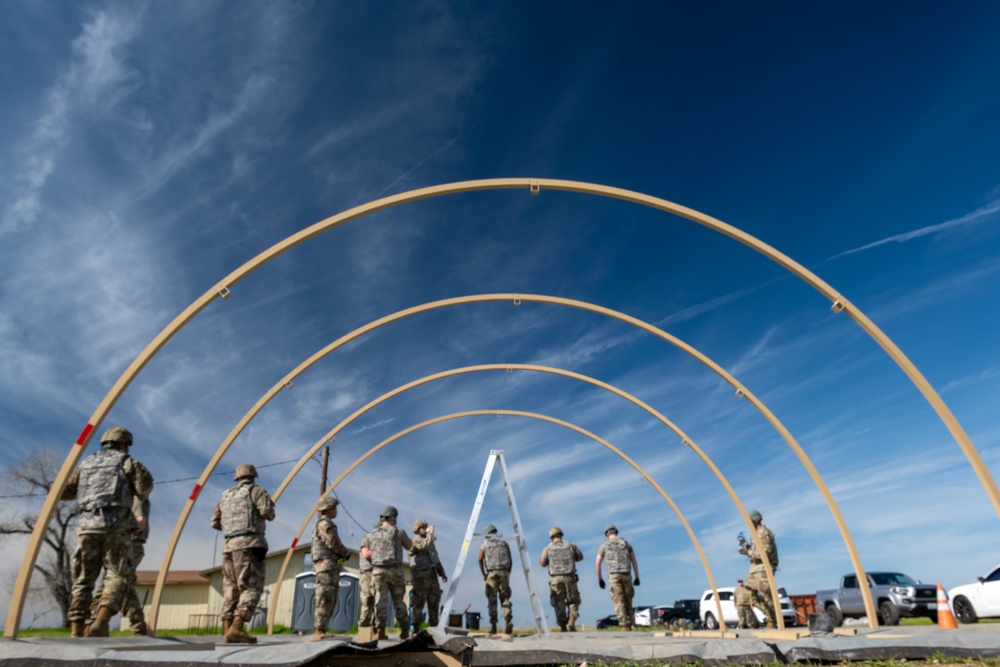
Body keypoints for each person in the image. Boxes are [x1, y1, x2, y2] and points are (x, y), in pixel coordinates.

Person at [62, 426, 154, 638]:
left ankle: (76, 629)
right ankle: (101, 622)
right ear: (123, 444)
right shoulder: (126, 462)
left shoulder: (85, 464)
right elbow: (144, 489)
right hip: (116, 526)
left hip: (86, 526)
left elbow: (64, 491)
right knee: (117, 574)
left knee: (84, 577)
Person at [210, 463, 275, 643]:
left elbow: (214, 522)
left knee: (231, 588)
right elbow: (267, 513)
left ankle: (227, 628)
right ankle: (237, 628)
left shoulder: (225, 496)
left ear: (237, 478)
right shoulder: (256, 491)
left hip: (229, 545)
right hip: (250, 544)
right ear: (253, 476)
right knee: (251, 586)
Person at [86, 497, 152, 635]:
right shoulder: (136, 498)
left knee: (117, 582)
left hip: (125, 544)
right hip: (128, 544)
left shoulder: (130, 498)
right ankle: (97, 622)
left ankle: (95, 622)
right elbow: (140, 521)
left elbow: (139, 521)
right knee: (119, 583)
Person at [360, 505, 412, 640]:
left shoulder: (371, 536)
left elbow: (366, 554)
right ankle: (404, 631)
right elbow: (410, 547)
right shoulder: (399, 532)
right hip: (396, 571)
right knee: (399, 602)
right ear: (392, 517)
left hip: (378, 571)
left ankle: (379, 632)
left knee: (379, 602)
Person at [311, 497, 352, 640]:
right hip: (326, 566)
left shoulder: (326, 524)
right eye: (334, 508)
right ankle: (319, 630)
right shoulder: (324, 524)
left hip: (330, 566)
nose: (336, 511)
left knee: (330, 598)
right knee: (325, 598)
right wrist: (345, 553)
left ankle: (322, 630)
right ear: (328, 509)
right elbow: (332, 543)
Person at [738, 508, 779, 629]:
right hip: (754, 569)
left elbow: (765, 552)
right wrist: (745, 546)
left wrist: (748, 552)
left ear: (755, 521)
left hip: (764, 569)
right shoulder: (754, 536)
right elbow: (754, 550)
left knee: (765, 593)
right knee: (746, 595)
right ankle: (770, 614)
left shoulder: (764, 533)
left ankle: (772, 619)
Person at [595, 524, 640, 632]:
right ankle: (630, 624)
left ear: (607, 534)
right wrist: (637, 577)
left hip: (614, 576)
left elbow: (597, 564)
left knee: (618, 600)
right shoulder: (626, 543)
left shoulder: (604, 545)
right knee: (628, 599)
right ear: (616, 532)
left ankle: (624, 625)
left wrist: (600, 579)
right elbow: (634, 561)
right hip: (627, 575)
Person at [539, 526, 584, 632]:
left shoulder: (548, 548)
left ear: (551, 536)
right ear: (561, 534)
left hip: (556, 579)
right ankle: (572, 619)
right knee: (573, 601)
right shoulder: (570, 545)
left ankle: (563, 626)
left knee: (559, 603)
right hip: (570, 577)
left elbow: (542, 563)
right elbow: (580, 557)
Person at [408, 519, 447, 630]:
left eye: (425, 527)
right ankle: (415, 628)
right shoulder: (414, 541)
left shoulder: (429, 542)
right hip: (420, 576)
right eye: (422, 528)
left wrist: (442, 572)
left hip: (432, 576)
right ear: (417, 530)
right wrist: (430, 534)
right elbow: (421, 547)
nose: (425, 530)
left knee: (434, 601)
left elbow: (435, 558)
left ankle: (434, 627)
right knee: (418, 603)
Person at [478, 524, 513, 635]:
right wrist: (507, 573)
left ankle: (494, 627)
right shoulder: (504, 543)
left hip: (491, 574)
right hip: (504, 573)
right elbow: (510, 560)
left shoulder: (485, 544)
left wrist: (483, 573)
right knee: (505, 598)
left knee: (492, 601)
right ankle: (508, 620)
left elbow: (480, 558)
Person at [357, 518, 379, 630]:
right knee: (368, 600)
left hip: (377, 572)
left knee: (377, 600)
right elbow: (366, 554)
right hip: (368, 572)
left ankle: (374, 627)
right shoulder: (368, 538)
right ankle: (364, 626)